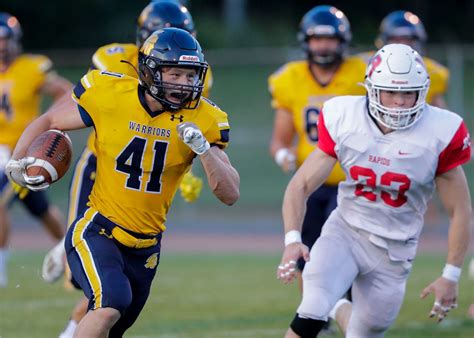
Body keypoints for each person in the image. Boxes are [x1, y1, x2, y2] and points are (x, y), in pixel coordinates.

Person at [7, 27, 239, 337]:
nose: (184, 85)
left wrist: (204, 151)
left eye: (190, 76)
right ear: (149, 71)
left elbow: (230, 193)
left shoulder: (205, 118)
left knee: (112, 323)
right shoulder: (112, 94)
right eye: (175, 74)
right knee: (110, 303)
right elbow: (50, 120)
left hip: (146, 248)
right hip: (98, 229)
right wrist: (17, 161)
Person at [277, 43, 471, 338]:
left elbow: (460, 210)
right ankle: (327, 303)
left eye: (408, 93)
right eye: (391, 92)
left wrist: (451, 275)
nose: (399, 103)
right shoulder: (345, 116)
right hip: (345, 231)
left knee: (365, 332)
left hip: (395, 250)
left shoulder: (441, 132)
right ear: (370, 88)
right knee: (312, 307)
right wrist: (293, 239)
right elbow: (301, 184)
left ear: (423, 91)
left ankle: (338, 306)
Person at [268, 5, 366, 331]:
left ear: (343, 41)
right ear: (305, 42)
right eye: (317, 39)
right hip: (311, 181)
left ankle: (345, 309)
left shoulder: (361, 73)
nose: (323, 46)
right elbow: (281, 138)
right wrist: (283, 155)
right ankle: (317, 314)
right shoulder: (289, 79)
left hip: (351, 180)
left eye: (330, 39)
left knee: (343, 250)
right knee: (305, 250)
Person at [0, 12, 71, 287]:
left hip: (21, 154)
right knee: (41, 211)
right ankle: (69, 252)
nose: (2, 46)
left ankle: (1, 271)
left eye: (5, 40)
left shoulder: (32, 67)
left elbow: (66, 91)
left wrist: (51, 125)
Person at [358, 10, 449, 109]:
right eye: (395, 39)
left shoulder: (432, 70)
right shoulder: (364, 64)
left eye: (408, 39)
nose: (402, 44)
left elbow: (439, 110)